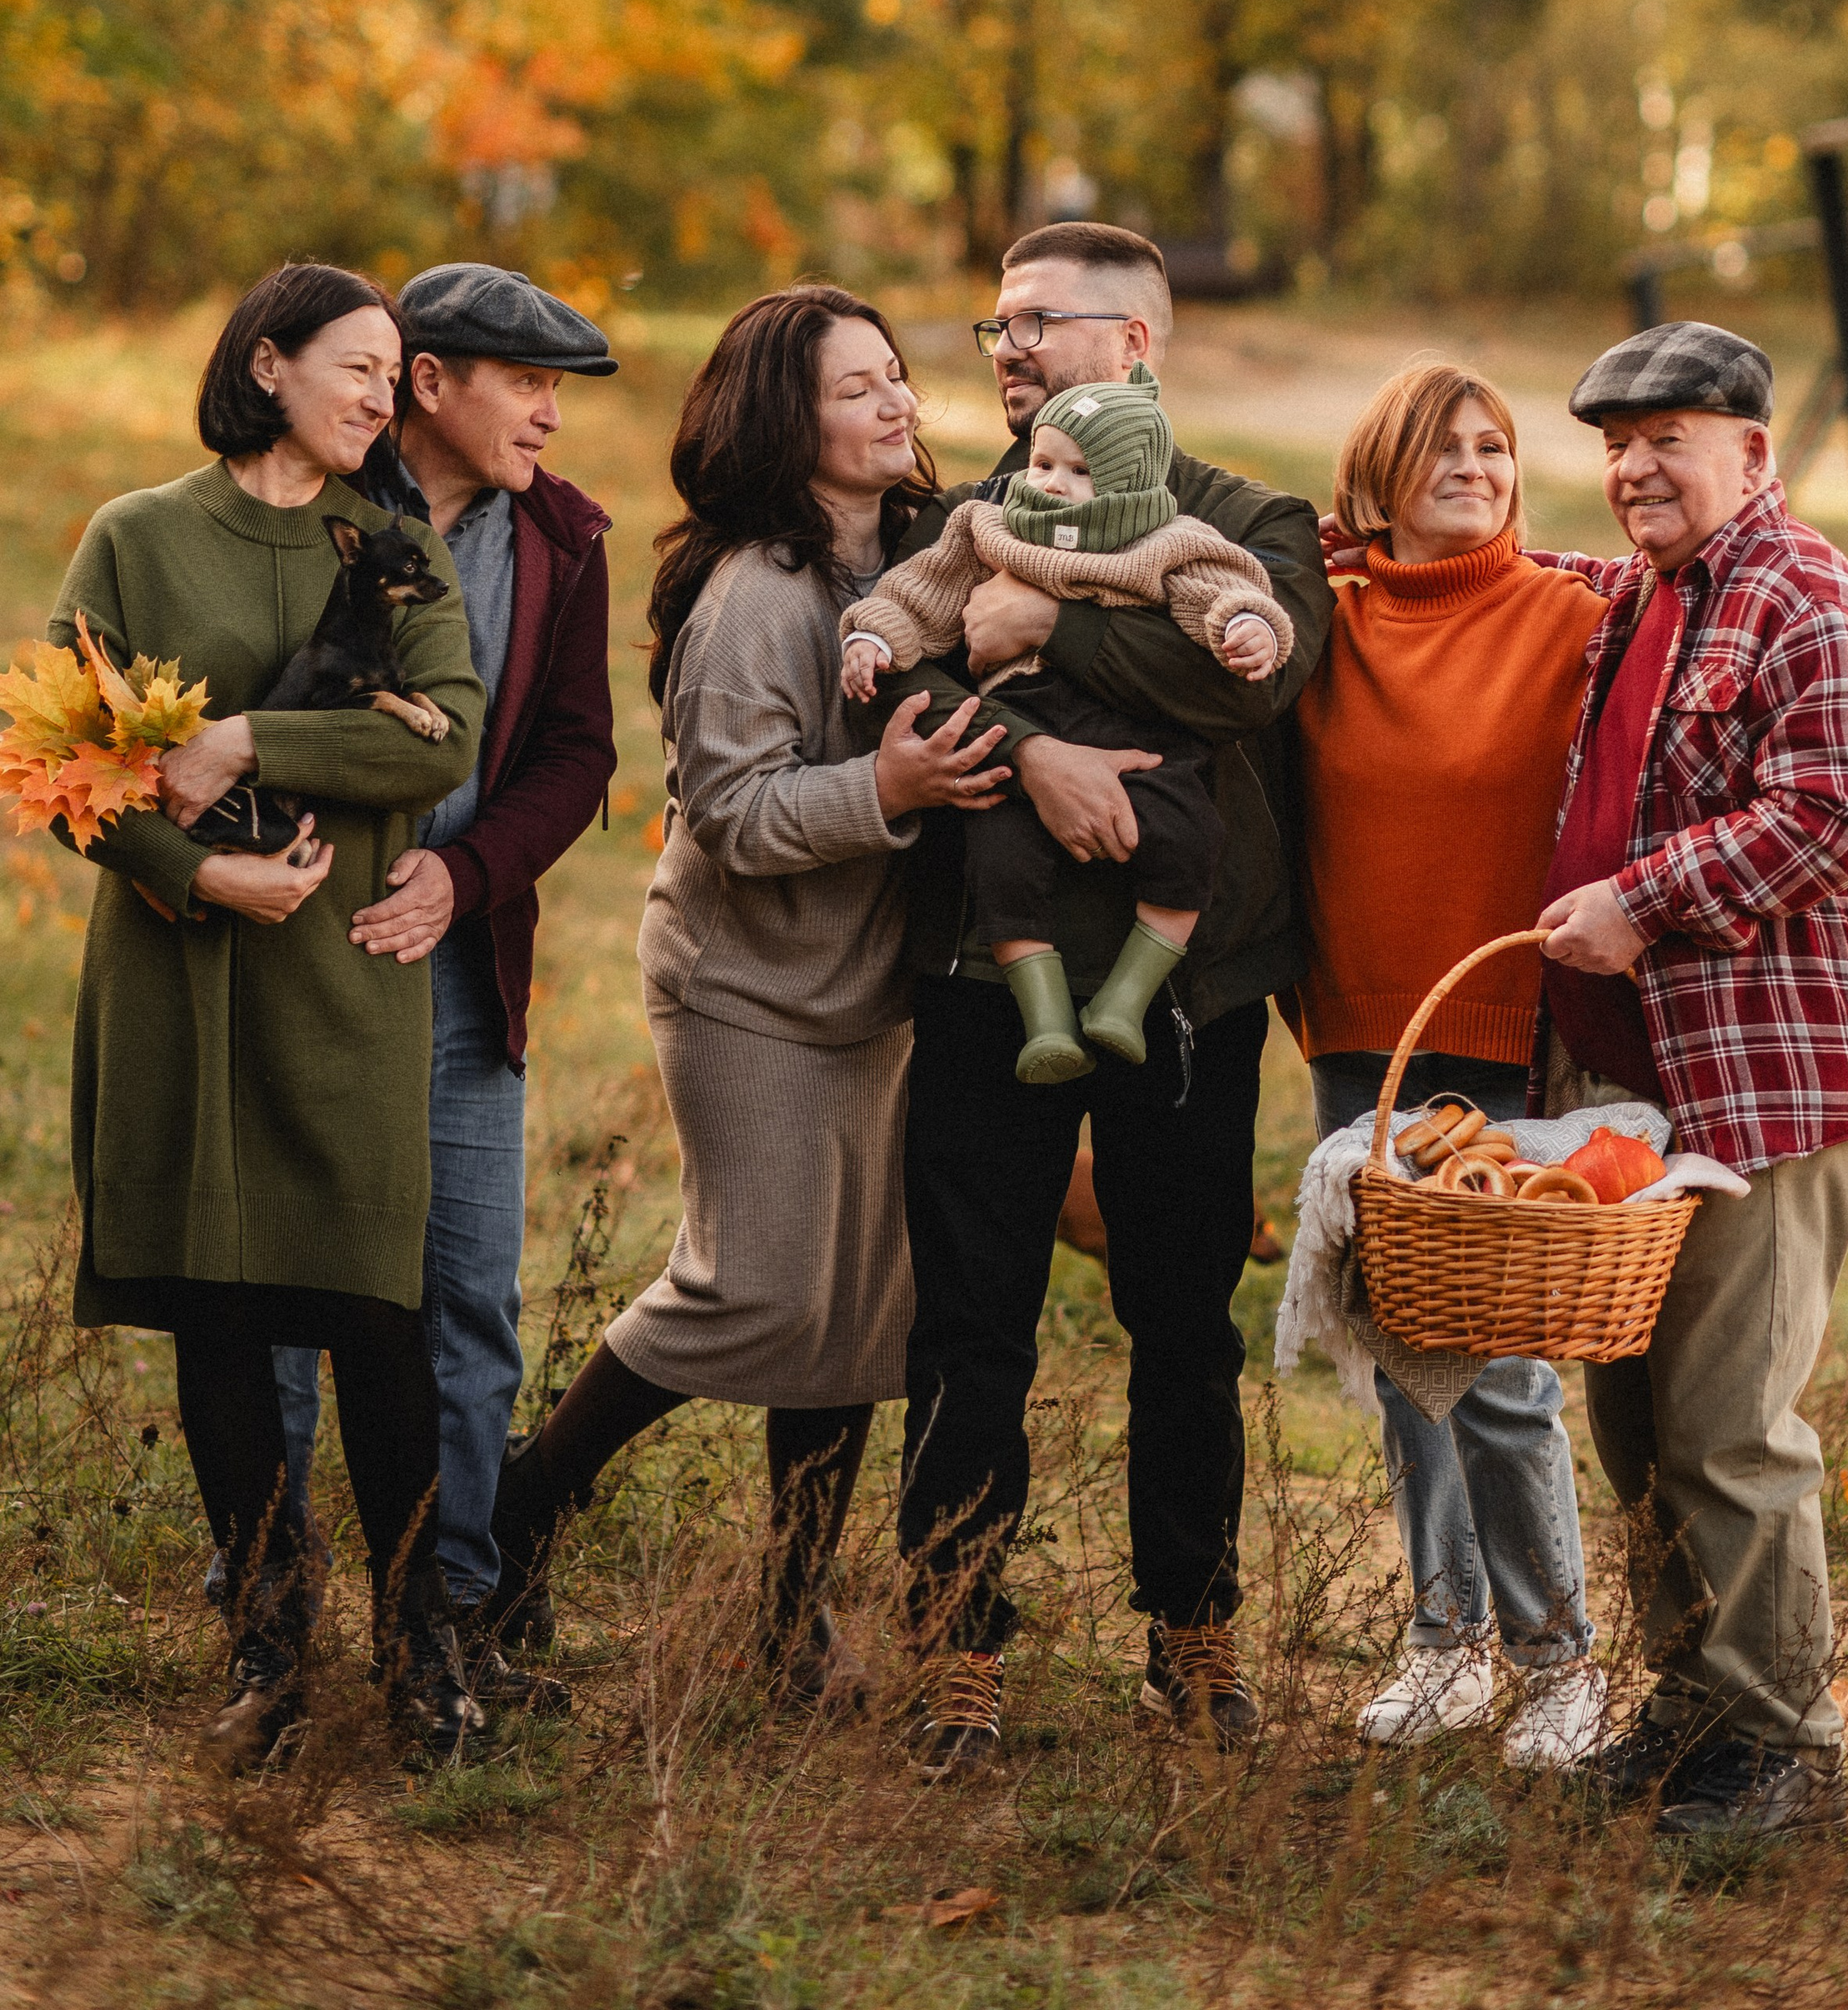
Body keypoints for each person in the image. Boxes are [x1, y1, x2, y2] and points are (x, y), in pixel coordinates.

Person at [487, 285, 1008, 1705]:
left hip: (877, 990)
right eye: (858, 387)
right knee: (756, 1282)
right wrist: (887, 785)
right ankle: (519, 1510)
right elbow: (731, 815)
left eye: (899, 376)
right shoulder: (758, 594)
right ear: (788, 417)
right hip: (751, 992)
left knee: (851, 1305)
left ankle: (789, 1616)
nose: (897, 402)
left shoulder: (923, 560)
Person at [867, 222, 1334, 1775]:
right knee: (972, 1318)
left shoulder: (1251, 515)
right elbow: (891, 672)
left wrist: (1052, 629)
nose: (1002, 347)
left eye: (1036, 323)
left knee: (1182, 1318)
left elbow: (1249, 675)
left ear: (1136, 345)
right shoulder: (967, 516)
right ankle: (953, 1641)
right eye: (991, 324)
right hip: (982, 979)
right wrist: (1041, 750)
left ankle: (1194, 1629)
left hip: (1182, 991)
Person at [52, 262, 487, 1768]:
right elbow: (70, 765)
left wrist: (242, 731)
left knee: (376, 1314)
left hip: (344, 982)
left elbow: (447, 736)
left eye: (395, 373)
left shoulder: (393, 540)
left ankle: (423, 1641)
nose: (384, 394)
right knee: (222, 1315)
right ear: (268, 363)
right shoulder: (138, 537)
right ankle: (269, 1633)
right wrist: (196, 873)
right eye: (360, 366)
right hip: (179, 979)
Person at [1533, 321, 1848, 1838]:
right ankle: (1692, 1709)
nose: (1634, 466)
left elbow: (1840, 808)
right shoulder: (1646, 593)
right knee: (1634, 1419)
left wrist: (1646, 897)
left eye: (1669, 436)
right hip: (1633, 1085)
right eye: (1615, 443)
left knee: (1730, 1421)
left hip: (1763, 1081)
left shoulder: (1804, 589)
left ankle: (1781, 1754)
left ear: (1752, 452)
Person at [262, 265, 618, 1698]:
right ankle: (268, 1600)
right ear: (427, 384)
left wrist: (464, 878)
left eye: (559, 387)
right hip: (293, 950)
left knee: (466, 1292)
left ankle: (453, 1607)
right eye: (521, 380)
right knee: (283, 1286)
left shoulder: (564, 541)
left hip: (462, 964)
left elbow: (582, 753)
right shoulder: (312, 505)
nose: (547, 411)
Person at [1294, 362, 1608, 1770]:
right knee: (1404, 1349)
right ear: (1380, 472)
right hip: (1361, 1025)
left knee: (1498, 1367)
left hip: (1506, 1028)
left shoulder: (1570, 615)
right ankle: (1443, 1639)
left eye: (1497, 446)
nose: (1478, 465)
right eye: (1445, 447)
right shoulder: (1325, 619)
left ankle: (1557, 1662)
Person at [839, 368, 1291, 1079]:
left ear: (1131, 485)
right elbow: (919, 592)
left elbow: (1221, 589)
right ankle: (1044, 1014)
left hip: (1140, 736)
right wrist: (874, 636)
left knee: (1191, 838)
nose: (1049, 482)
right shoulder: (986, 525)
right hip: (1026, 709)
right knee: (1002, 859)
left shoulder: (1166, 537)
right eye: (1042, 462)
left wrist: (1247, 625)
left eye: (1079, 472)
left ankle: (1126, 998)